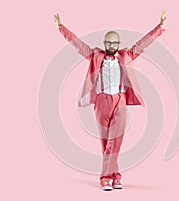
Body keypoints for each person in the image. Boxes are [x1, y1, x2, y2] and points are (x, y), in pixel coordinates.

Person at [54, 11, 166, 191]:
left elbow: (144, 43)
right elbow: (76, 44)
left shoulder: (126, 55)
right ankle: (116, 176)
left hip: (120, 101)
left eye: (114, 42)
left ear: (119, 44)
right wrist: (61, 27)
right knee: (105, 141)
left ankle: (105, 177)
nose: (111, 45)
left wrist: (160, 27)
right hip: (101, 102)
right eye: (108, 42)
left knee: (116, 139)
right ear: (104, 43)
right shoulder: (95, 56)